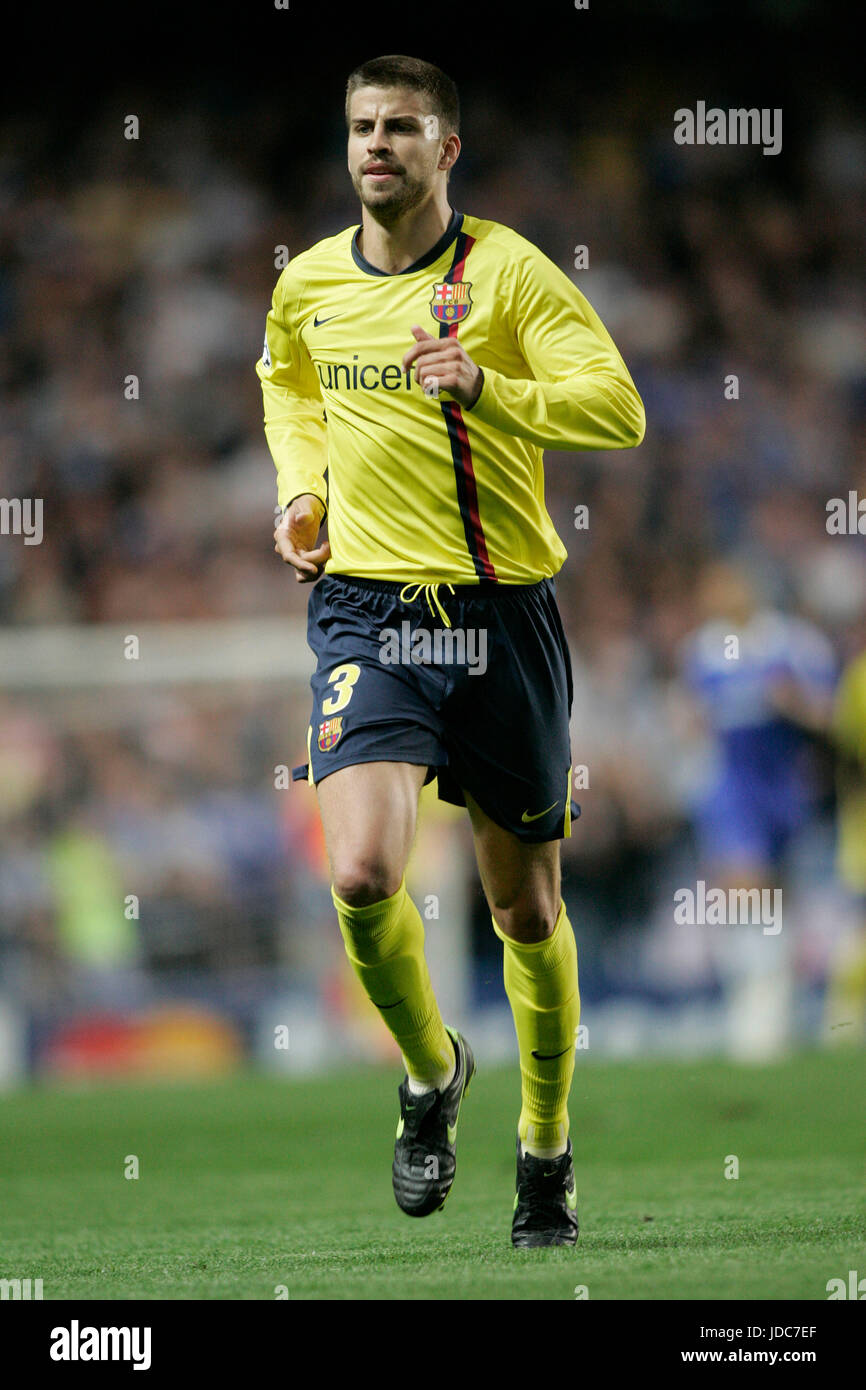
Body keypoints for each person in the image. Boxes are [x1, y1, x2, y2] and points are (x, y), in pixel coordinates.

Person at [257, 54, 644, 1246]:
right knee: (363, 871)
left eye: (402, 128)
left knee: (522, 911)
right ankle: (429, 1076)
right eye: (362, 127)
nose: (376, 145)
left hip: (500, 614)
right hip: (369, 612)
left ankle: (543, 1148)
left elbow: (616, 407)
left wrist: (489, 388)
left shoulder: (507, 273)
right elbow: (290, 386)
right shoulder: (309, 282)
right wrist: (300, 493)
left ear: (446, 149)